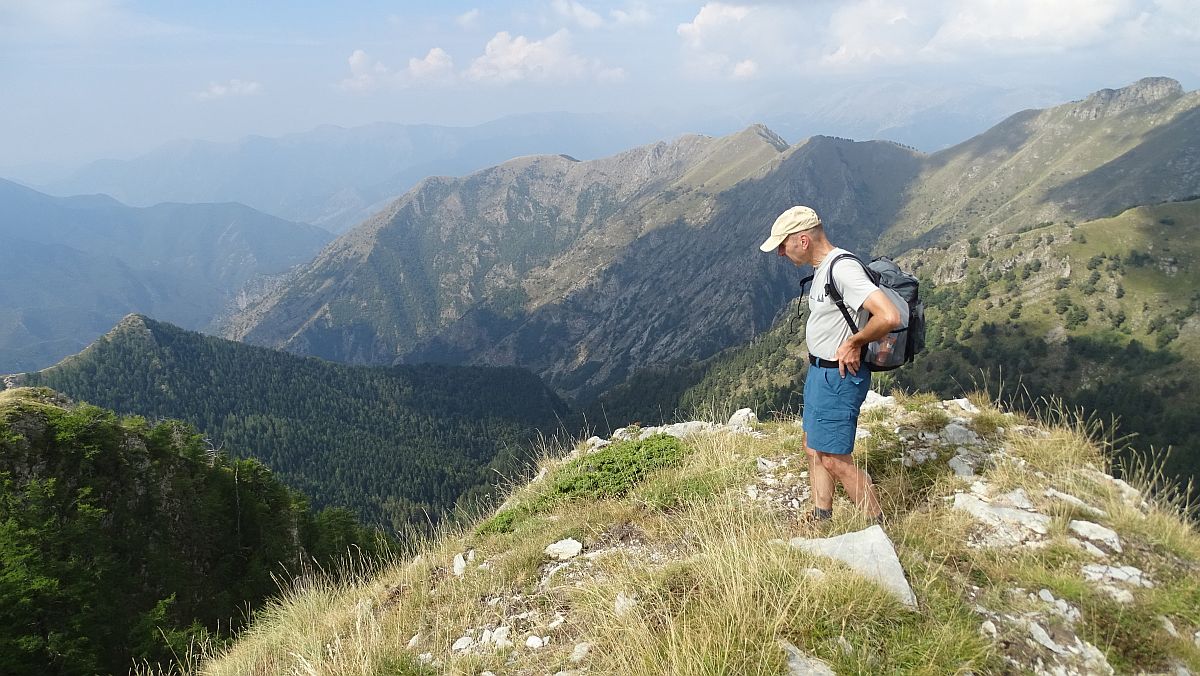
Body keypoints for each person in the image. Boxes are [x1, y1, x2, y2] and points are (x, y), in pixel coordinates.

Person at [759, 205, 900, 524]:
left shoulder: (843, 269)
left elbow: (889, 316)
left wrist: (854, 342)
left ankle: (880, 526)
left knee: (835, 459)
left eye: (783, 245)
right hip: (820, 373)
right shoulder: (824, 267)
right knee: (812, 447)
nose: (781, 253)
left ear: (803, 240)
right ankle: (822, 516)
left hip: (838, 377)